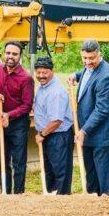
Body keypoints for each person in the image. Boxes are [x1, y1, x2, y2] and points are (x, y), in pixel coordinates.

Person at [66, 40, 109, 196]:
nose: (88, 62)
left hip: (103, 135)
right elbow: (87, 74)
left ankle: (106, 208)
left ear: (100, 55)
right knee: (91, 177)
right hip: (89, 134)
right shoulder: (88, 68)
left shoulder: (107, 77)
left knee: (104, 179)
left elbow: (102, 110)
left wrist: (83, 131)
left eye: (92, 58)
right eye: (85, 58)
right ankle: (93, 209)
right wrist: (75, 75)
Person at [32, 57, 73, 195]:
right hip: (48, 134)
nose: (41, 76)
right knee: (50, 170)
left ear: (52, 71)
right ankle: (51, 198)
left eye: (45, 72)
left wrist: (42, 134)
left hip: (57, 135)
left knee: (60, 171)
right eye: (38, 72)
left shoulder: (56, 92)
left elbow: (56, 121)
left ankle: (62, 200)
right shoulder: (44, 87)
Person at [0, 41, 33, 194]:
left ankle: (19, 194)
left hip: (18, 124)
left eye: (14, 54)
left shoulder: (26, 78)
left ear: (20, 56)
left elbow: (27, 105)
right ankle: (6, 191)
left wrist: (9, 115)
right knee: (2, 160)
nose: (10, 56)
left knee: (18, 161)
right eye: (8, 53)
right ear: (4, 53)